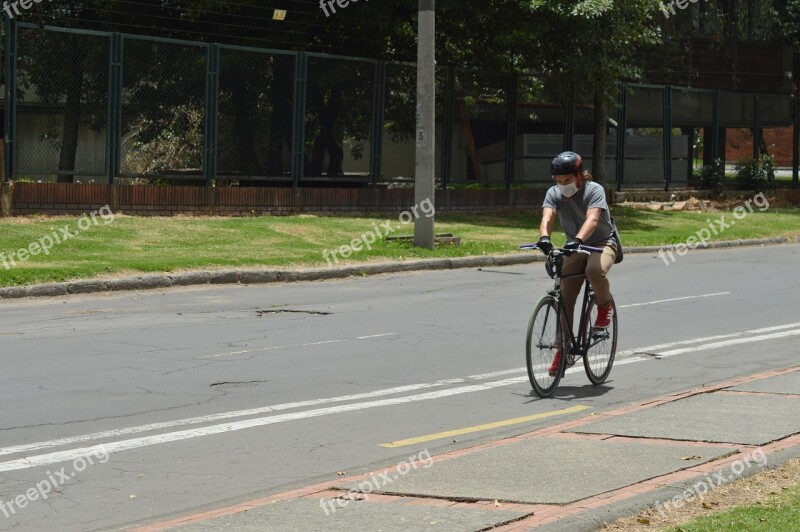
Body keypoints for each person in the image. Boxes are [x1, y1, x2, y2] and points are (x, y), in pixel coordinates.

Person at [536, 151, 618, 376]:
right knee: (565, 296)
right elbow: (548, 217)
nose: (563, 186)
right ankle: (563, 351)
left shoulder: (595, 190)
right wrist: (545, 238)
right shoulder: (554, 193)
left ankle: (604, 306)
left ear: (580, 176)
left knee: (594, 269)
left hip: (601, 243)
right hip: (574, 246)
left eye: (568, 181)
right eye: (559, 182)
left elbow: (592, 219)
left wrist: (580, 240)